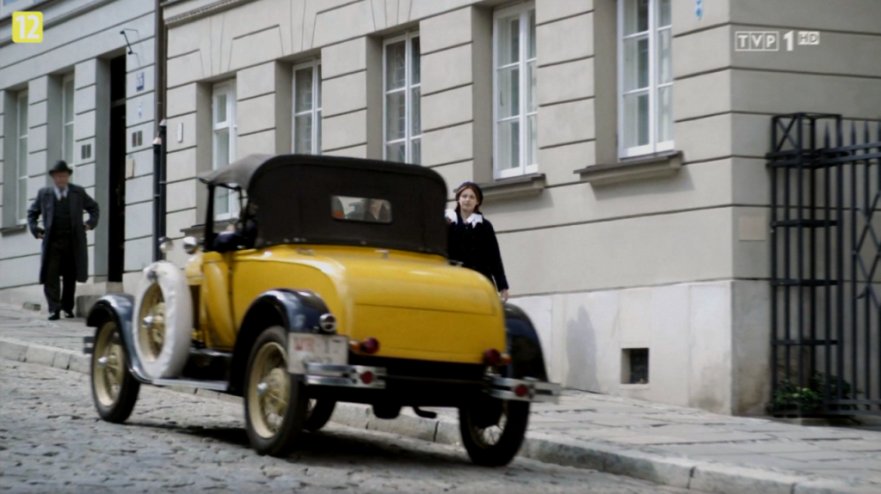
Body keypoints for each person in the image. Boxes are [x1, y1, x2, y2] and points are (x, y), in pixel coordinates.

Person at [27, 160, 99, 320]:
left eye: (64, 176)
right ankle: (54, 308)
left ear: (68, 177)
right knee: (50, 275)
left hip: (72, 241)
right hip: (52, 241)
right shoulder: (44, 194)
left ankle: (67, 307)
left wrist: (89, 224)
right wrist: (35, 229)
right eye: (58, 176)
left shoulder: (78, 193)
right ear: (54, 178)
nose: (61, 179)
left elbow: (94, 207)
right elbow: (32, 213)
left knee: (70, 275)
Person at [446, 181, 509, 302]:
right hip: (453, 282)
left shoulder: (484, 226)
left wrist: (503, 286)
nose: (467, 200)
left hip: (479, 283)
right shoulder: (448, 222)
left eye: (472, 197)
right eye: (464, 196)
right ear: (458, 199)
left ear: (477, 201)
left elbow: (494, 257)